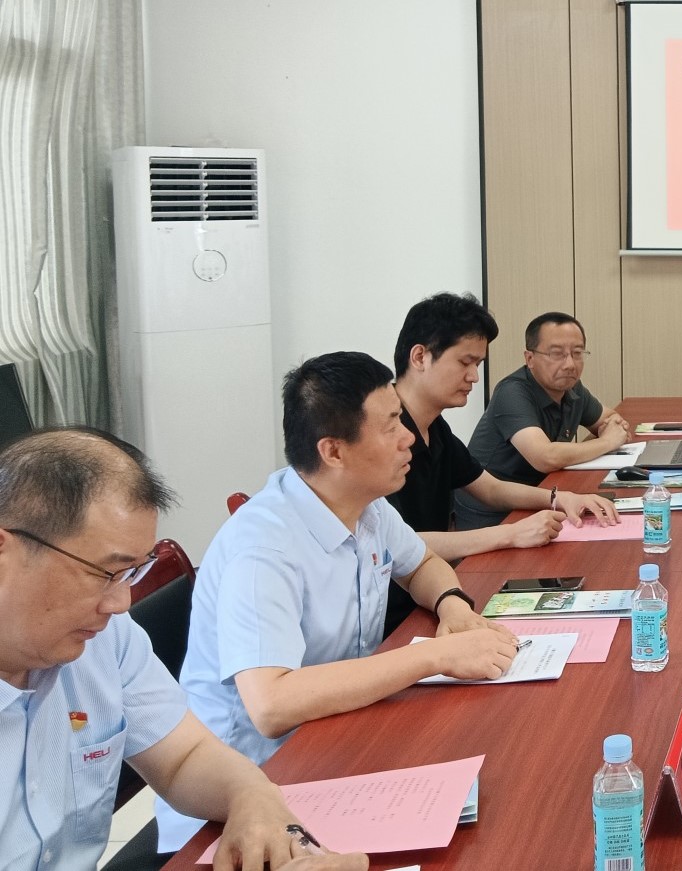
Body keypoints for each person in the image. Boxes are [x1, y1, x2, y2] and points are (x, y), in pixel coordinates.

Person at [157, 352, 518, 851]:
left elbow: (421, 564)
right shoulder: (263, 549)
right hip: (248, 798)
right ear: (333, 451)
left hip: (335, 744)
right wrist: (433, 656)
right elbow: (272, 705)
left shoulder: (366, 506)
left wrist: (452, 604)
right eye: (390, 425)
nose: (408, 437)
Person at [0, 428, 366, 870]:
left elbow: (183, 757)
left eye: (132, 573)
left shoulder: (106, 639)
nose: (120, 603)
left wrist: (251, 796)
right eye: (104, 573)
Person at [385, 293, 617, 636]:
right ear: (420, 356)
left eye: (478, 364)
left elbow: (489, 488)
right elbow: (396, 544)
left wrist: (559, 498)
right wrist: (511, 533)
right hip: (392, 613)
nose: (474, 377)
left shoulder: (434, 427)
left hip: (432, 593)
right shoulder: (381, 435)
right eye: (465, 362)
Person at [455, 312, 630, 530]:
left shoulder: (572, 387)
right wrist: (607, 442)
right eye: (557, 354)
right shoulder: (512, 392)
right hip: (494, 513)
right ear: (530, 358)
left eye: (577, 353)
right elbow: (545, 457)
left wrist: (612, 431)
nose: (570, 364)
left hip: (545, 496)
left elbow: (610, 419)